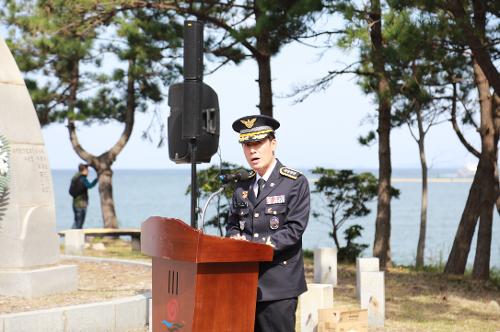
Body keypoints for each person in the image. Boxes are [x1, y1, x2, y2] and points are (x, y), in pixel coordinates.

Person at [226, 114, 310, 332]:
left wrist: (257, 246)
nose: (252, 150)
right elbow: (233, 224)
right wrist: (233, 238)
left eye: (258, 143)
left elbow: (294, 229)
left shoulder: (294, 183)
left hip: (278, 285)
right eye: (247, 145)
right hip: (244, 282)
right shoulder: (241, 187)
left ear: (273, 144)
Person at [70, 163, 97, 229]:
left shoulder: (75, 177)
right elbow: (89, 186)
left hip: (75, 203)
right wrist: (96, 180)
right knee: (79, 223)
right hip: (81, 204)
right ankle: (75, 238)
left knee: (76, 221)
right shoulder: (83, 179)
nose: (88, 171)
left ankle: (70, 236)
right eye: (87, 170)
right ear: (84, 170)